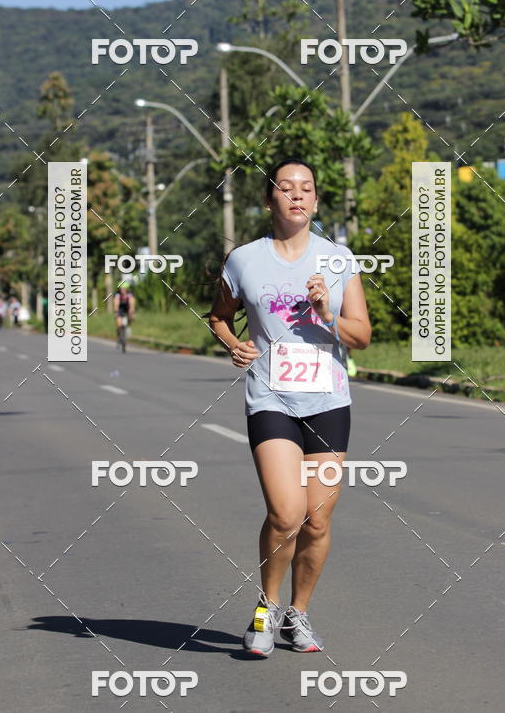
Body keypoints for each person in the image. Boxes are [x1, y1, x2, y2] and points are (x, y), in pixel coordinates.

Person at [209, 158, 371, 657]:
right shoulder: (244, 260)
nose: (297, 195)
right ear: (269, 201)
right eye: (287, 188)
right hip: (270, 399)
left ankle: (297, 615)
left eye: (307, 189)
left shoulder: (339, 259)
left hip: (327, 401)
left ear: (316, 202)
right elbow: (219, 316)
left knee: (317, 520)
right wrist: (231, 342)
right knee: (286, 513)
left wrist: (327, 314)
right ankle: (267, 605)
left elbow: (361, 336)